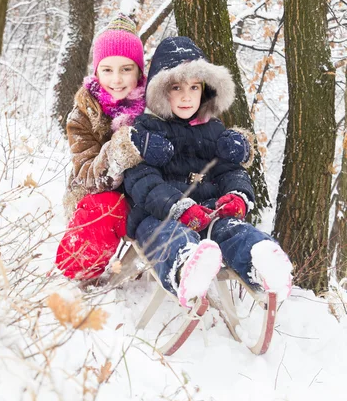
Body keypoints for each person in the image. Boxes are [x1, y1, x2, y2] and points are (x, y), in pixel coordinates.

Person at [124, 36, 292, 308]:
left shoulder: (214, 130)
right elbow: (143, 181)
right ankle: (186, 269)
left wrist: (237, 195)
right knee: (170, 238)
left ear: (206, 90)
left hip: (208, 213)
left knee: (233, 230)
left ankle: (261, 261)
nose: (187, 96)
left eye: (194, 87)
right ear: (161, 91)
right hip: (160, 217)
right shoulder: (146, 131)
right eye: (176, 87)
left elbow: (229, 171)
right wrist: (177, 207)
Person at [55, 14, 174, 283]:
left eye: (126, 69)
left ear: (139, 71)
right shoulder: (83, 114)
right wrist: (118, 152)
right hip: (103, 194)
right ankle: (78, 275)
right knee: (104, 206)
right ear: (96, 71)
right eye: (107, 69)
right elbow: (86, 174)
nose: (116, 79)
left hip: (147, 194)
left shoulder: (155, 107)